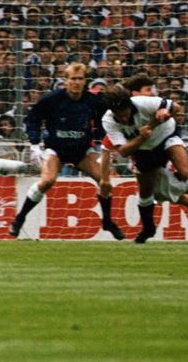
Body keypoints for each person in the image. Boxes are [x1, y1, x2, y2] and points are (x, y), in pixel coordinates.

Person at [102, 84, 188, 244]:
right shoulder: (108, 120)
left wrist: (166, 112)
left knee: (186, 173)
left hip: (166, 136)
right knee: (145, 192)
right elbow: (123, 151)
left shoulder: (143, 103)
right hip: (143, 150)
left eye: (125, 112)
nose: (123, 118)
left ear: (129, 104)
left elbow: (176, 107)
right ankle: (149, 228)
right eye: (119, 115)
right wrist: (142, 137)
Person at [8, 63, 124, 240]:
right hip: (56, 148)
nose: (76, 82)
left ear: (85, 81)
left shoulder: (93, 101)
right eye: (73, 79)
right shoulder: (52, 99)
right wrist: (34, 144)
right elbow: (33, 119)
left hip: (82, 150)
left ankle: (107, 221)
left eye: (80, 79)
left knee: (105, 182)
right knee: (47, 180)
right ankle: (19, 218)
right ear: (66, 80)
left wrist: (102, 144)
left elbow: (105, 122)